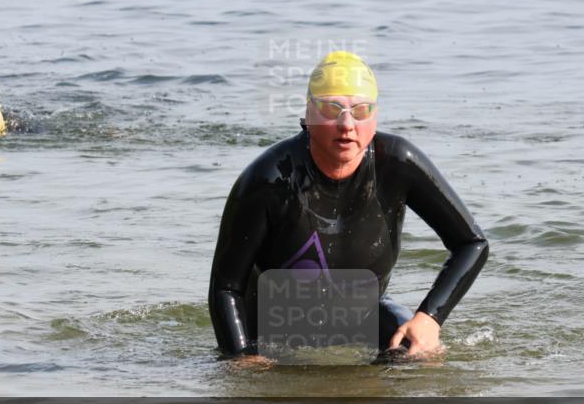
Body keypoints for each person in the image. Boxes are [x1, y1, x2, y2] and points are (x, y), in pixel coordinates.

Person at [208, 51, 488, 363]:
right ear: (308, 114)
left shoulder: (397, 164)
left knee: (416, 354)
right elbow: (226, 287)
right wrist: (243, 357)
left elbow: (472, 243)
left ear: (375, 116)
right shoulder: (268, 179)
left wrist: (430, 318)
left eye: (360, 110)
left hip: (362, 316)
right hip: (270, 326)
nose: (347, 124)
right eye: (332, 109)